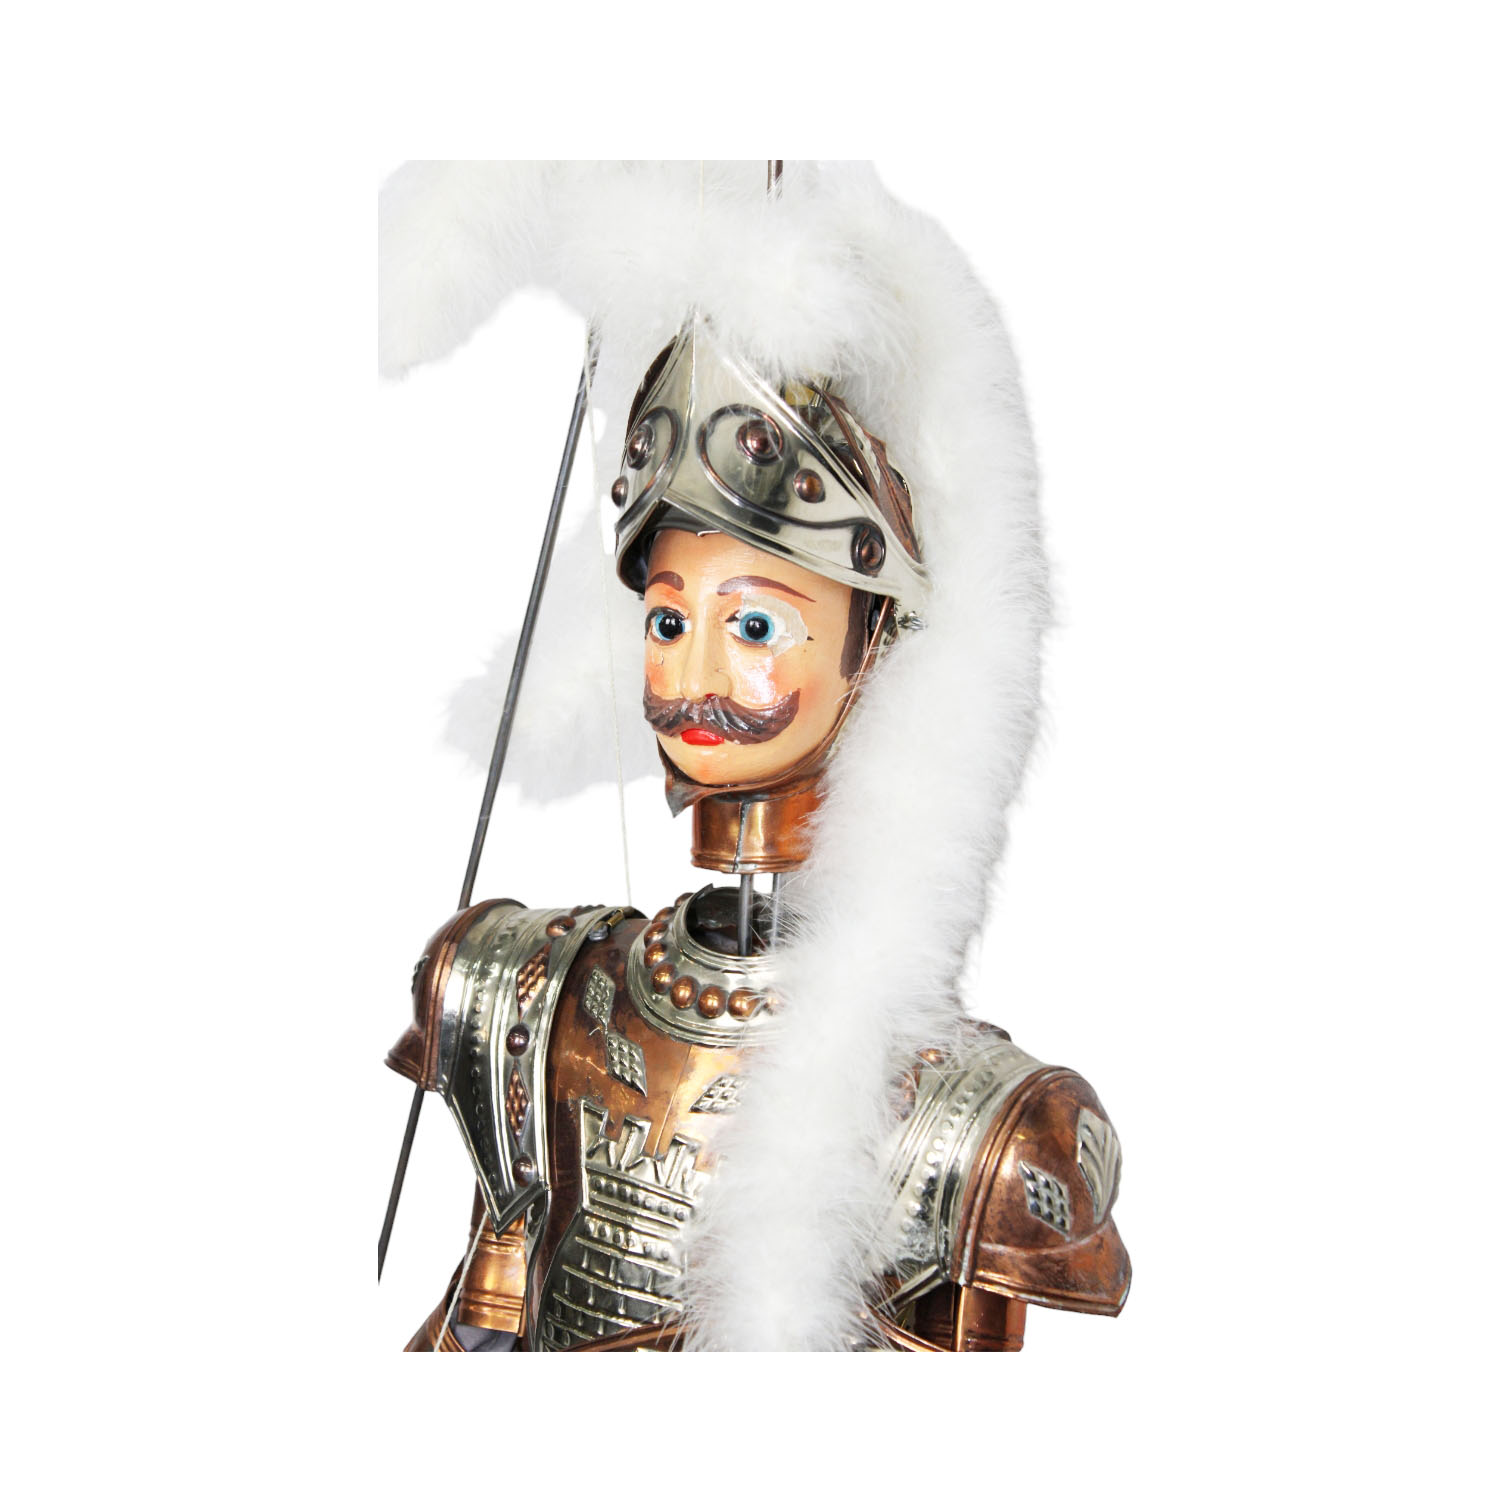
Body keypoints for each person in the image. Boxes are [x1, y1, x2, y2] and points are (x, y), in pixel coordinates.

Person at [385, 316, 1130, 1351]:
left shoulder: (986, 1127)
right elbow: (478, 1331)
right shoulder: (516, 992)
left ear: (874, 641)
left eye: (755, 627)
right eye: (668, 621)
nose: (693, 678)